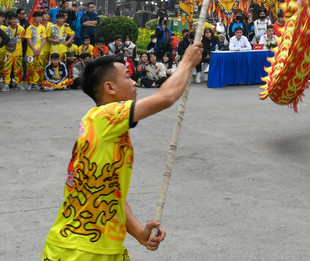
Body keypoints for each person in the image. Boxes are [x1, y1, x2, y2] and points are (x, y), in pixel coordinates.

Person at [42, 44, 203, 259]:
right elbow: (166, 97)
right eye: (127, 76)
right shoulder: (102, 117)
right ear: (109, 88)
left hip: (105, 249)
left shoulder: (106, 128)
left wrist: (139, 233)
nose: (134, 81)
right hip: (78, 251)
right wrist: (186, 63)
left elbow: (110, 192)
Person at [1, 11, 26, 91]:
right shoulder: (5, 29)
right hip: (7, 52)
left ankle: (18, 84)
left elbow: (22, 40)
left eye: (15, 19)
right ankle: (6, 84)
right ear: (8, 20)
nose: (13, 21)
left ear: (17, 19)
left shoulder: (21, 29)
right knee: (6, 69)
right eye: (11, 19)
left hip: (18, 52)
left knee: (18, 69)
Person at [25, 10, 49, 91]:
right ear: (34, 18)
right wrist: (35, 49)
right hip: (31, 52)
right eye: (38, 17)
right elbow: (28, 40)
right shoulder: (29, 28)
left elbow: (44, 39)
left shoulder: (42, 28)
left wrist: (39, 49)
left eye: (40, 17)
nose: (40, 18)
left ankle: (36, 83)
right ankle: (30, 83)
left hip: (40, 51)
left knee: (39, 68)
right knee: (30, 68)